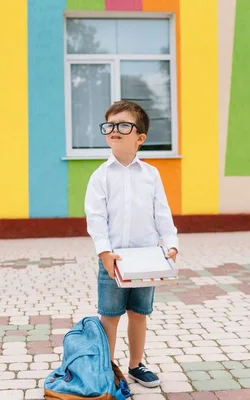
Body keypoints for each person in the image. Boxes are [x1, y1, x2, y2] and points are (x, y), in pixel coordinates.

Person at [84, 100, 179, 388]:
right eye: (110, 125)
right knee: (109, 316)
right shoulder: (100, 176)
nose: (114, 130)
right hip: (114, 260)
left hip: (147, 258)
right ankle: (107, 368)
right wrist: (103, 252)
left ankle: (136, 365)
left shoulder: (151, 174)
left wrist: (171, 243)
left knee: (139, 314)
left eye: (123, 125)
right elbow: (96, 217)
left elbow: (162, 212)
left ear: (139, 138)